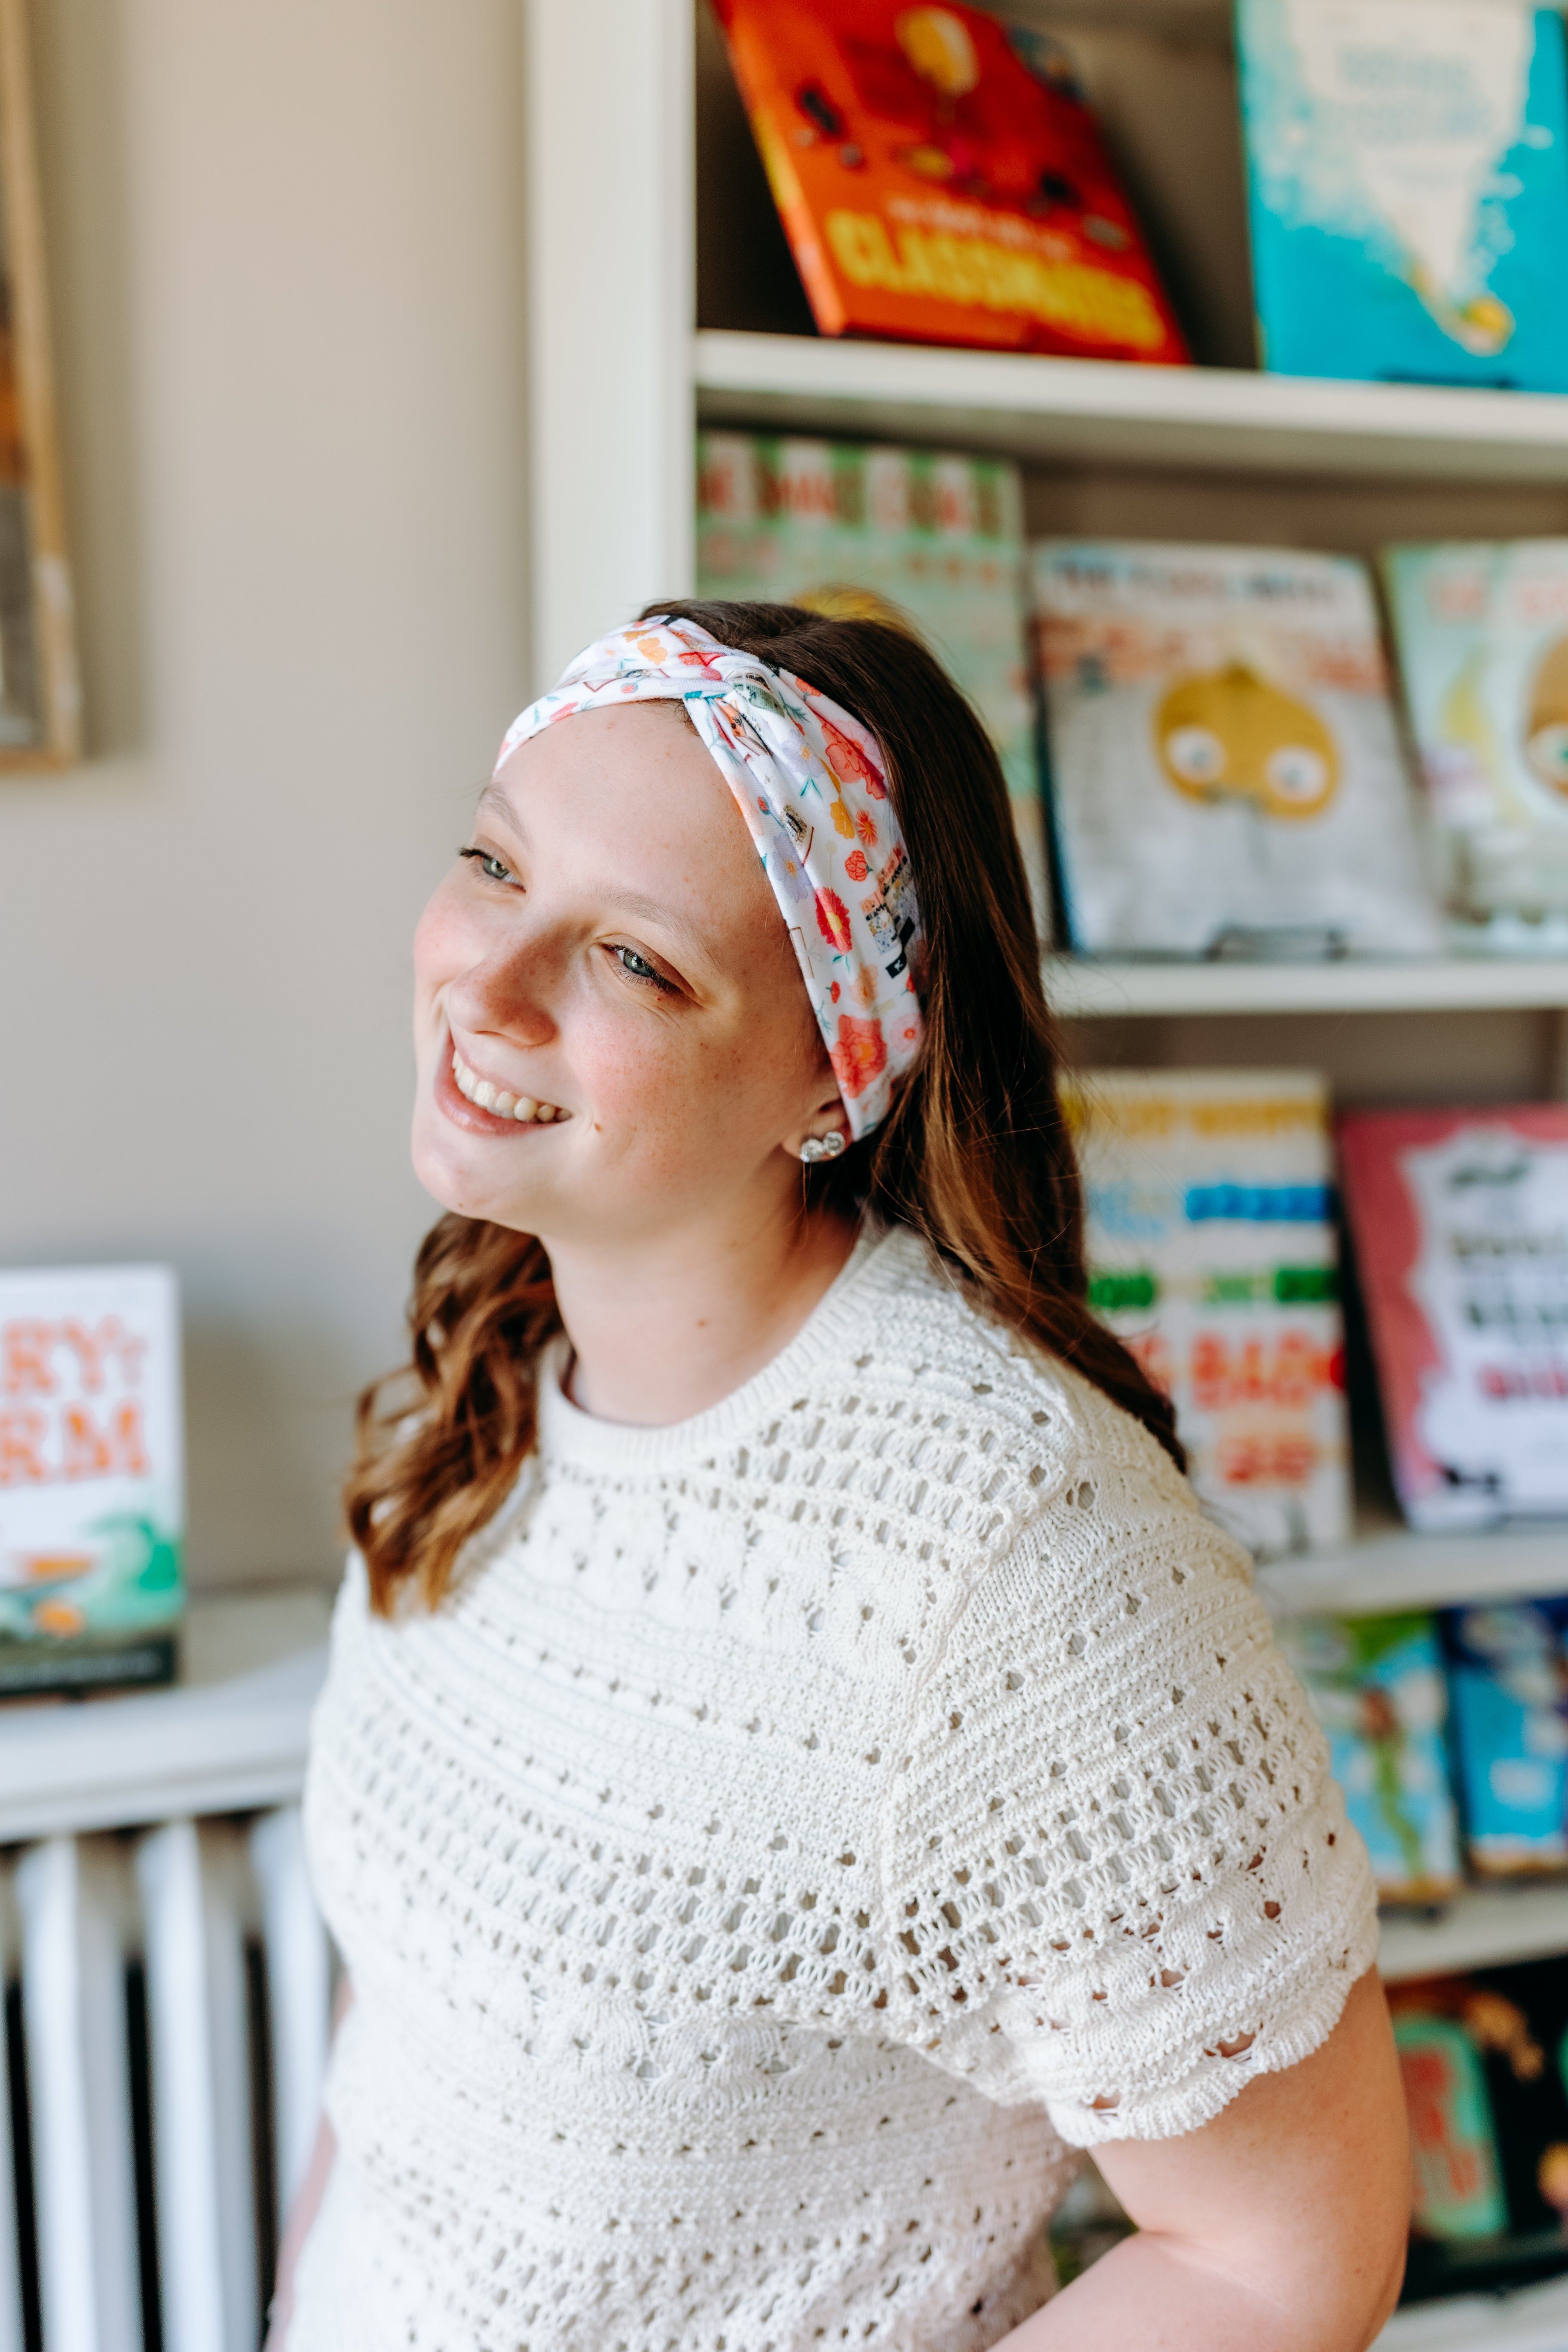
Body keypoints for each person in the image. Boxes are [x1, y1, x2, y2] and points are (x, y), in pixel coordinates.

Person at [267, 604, 1409, 2352]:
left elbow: (1282, 2257)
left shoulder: (1018, 1561)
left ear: (835, 1071)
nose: (484, 986)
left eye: (637, 961)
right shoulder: (485, 1373)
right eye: (495, 864)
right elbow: (408, 2057)